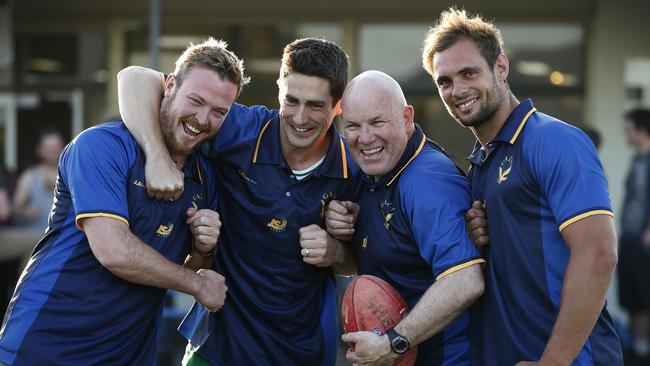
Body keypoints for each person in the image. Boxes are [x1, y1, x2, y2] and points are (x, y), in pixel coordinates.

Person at [116, 38, 361, 366]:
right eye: (291, 100)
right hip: (215, 345)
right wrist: (156, 156)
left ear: (338, 105)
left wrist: (336, 251)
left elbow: (363, 260)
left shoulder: (355, 170)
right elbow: (134, 77)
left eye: (316, 105)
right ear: (278, 90)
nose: (300, 118)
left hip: (301, 350)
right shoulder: (240, 129)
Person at [0, 38, 240, 365]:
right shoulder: (101, 146)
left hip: (130, 353)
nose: (202, 118)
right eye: (195, 100)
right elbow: (114, 251)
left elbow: (187, 266)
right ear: (169, 85)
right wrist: (195, 286)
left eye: (218, 112)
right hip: (47, 346)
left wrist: (203, 249)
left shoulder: (205, 175)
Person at [421, 8, 622, 365]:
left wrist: (553, 362)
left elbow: (599, 255)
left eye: (469, 73)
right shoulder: (480, 163)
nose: (458, 90)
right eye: (445, 81)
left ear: (501, 67)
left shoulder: (555, 139)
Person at [324, 70, 485, 365]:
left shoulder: (428, 181)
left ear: (407, 119)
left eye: (377, 122)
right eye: (353, 126)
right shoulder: (372, 171)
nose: (365, 137)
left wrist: (392, 343)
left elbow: (465, 281)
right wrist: (340, 237)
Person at [619, 108, 650, 362]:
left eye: (629, 128)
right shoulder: (637, 159)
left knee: (643, 298)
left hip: (644, 243)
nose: (625, 133)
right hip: (629, 240)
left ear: (641, 130)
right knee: (631, 298)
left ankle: (642, 353)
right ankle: (637, 348)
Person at [12, 128, 64, 231]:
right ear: (39, 150)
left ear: (63, 148)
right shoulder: (29, 176)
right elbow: (15, 209)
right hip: (36, 240)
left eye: (55, 147)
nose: (52, 151)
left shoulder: (71, 175)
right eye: (48, 147)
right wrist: (26, 212)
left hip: (64, 238)